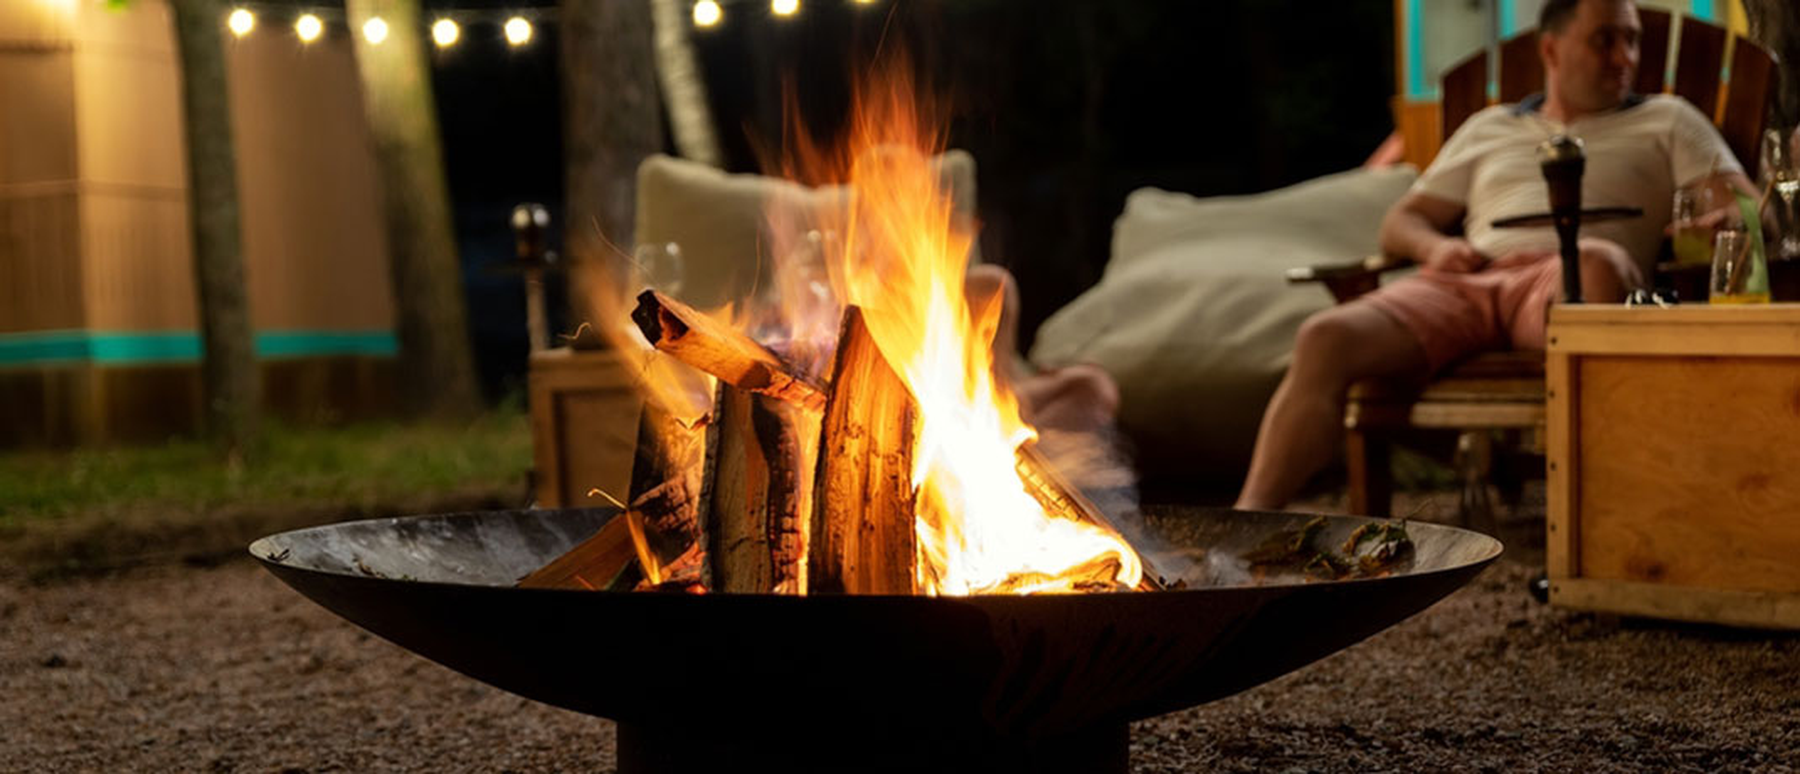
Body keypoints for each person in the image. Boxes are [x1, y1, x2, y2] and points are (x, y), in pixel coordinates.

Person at [1235, 0, 1755, 511]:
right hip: (1470, 279)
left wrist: (1726, 222)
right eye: (1605, 40)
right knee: (1324, 337)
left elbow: (1748, 208)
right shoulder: (1489, 127)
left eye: (1633, 40)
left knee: (1598, 263)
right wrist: (1436, 247)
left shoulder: (1668, 119)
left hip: (1569, 278)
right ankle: (1241, 533)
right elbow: (1401, 223)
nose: (1625, 57)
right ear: (1551, 49)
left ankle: (1606, 517)